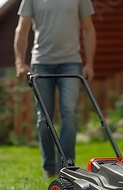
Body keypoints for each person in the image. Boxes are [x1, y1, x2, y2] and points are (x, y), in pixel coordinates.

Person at [14, 0, 96, 178]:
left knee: (69, 112)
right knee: (44, 118)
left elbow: (88, 28)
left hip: (71, 63)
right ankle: (49, 168)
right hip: (41, 63)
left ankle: (67, 167)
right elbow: (22, 29)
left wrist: (89, 64)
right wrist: (20, 62)